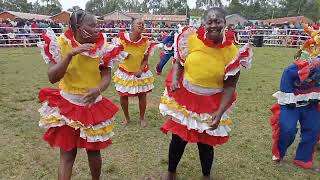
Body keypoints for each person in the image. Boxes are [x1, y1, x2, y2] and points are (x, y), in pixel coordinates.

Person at [159, 7, 252, 179]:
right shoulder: (191, 39)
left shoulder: (232, 52)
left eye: (218, 21)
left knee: (206, 144)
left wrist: (221, 110)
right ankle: (171, 172)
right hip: (186, 97)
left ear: (225, 23)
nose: (213, 25)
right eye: (209, 21)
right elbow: (180, 60)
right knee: (178, 139)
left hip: (212, 102)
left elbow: (230, 85)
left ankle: (206, 175)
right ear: (204, 23)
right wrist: (174, 80)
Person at [37, 10, 128, 180]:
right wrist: (71, 54)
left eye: (97, 25)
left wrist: (98, 89)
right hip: (67, 105)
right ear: (79, 27)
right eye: (92, 25)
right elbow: (52, 77)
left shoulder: (102, 47)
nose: (97, 29)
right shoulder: (59, 44)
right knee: (67, 155)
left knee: (94, 152)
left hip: (92, 106)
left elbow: (106, 75)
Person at [112, 18, 158, 127]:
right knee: (123, 96)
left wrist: (141, 70)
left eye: (142, 24)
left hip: (140, 72)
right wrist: (123, 54)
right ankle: (127, 118)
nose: (141, 25)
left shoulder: (146, 42)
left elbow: (146, 59)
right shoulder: (121, 38)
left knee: (142, 96)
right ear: (132, 25)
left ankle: (142, 118)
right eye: (138, 23)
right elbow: (115, 52)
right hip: (124, 72)